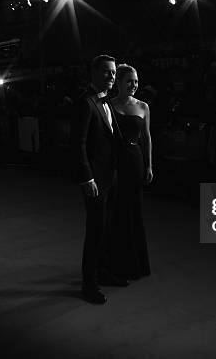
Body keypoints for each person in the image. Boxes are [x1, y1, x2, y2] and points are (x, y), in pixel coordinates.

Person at [70, 54, 129, 305]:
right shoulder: (85, 103)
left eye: (114, 72)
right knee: (95, 232)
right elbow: (78, 144)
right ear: (93, 73)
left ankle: (103, 272)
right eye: (106, 72)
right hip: (94, 180)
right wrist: (87, 178)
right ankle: (88, 284)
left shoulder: (108, 102)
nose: (111, 76)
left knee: (107, 229)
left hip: (111, 176)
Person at [108, 64, 152, 280]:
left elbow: (147, 137)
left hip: (135, 162)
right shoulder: (108, 105)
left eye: (135, 81)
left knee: (135, 211)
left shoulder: (143, 106)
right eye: (129, 81)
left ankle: (137, 264)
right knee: (118, 212)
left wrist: (149, 165)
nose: (133, 85)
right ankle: (118, 264)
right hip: (116, 163)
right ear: (119, 83)